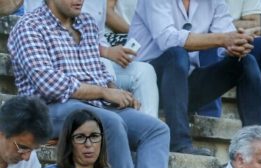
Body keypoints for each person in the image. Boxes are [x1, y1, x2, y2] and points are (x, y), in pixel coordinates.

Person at [9, 0, 170, 168]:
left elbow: (98, 72)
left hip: (94, 106)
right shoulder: (29, 26)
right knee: (109, 123)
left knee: (156, 129)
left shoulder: (86, 23)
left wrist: (117, 92)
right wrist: (104, 92)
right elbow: (48, 84)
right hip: (48, 110)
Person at [129, 0, 261, 155]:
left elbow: (227, 39)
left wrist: (239, 44)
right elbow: (168, 40)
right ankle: (179, 143)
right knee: (177, 54)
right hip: (144, 84)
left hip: (182, 86)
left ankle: (260, 149)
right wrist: (223, 39)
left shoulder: (215, 2)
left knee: (245, 62)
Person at [25, 0, 160, 119]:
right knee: (104, 64)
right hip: (67, 66)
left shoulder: (93, 12)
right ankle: (111, 121)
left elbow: (98, 36)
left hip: (98, 61)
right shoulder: (40, 16)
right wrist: (105, 52)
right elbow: (50, 34)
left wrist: (113, 52)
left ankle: (145, 123)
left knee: (145, 71)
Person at [198, 0, 261, 125]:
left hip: (237, 39)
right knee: (210, 38)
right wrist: (224, 35)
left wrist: (231, 33)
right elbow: (201, 26)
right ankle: (209, 118)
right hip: (202, 43)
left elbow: (255, 26)